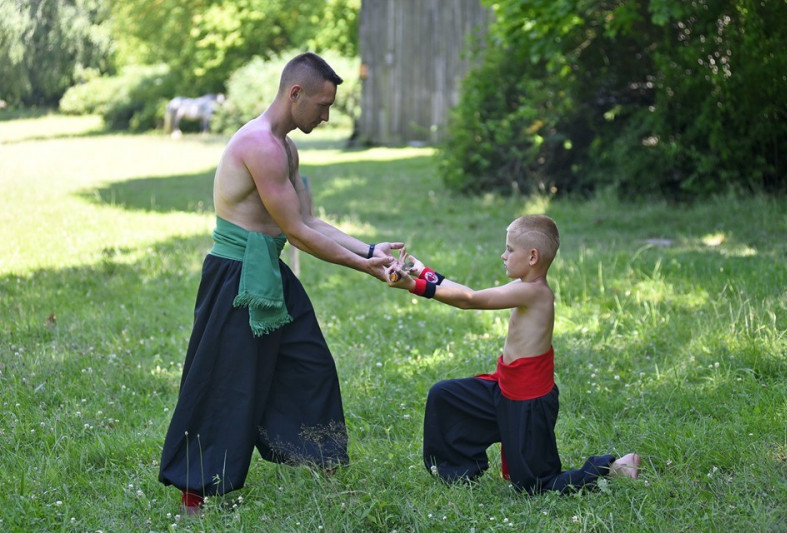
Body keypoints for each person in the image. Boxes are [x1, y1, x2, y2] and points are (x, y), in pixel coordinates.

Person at [159, 52, 402, 514]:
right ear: (295, 94)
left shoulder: (285, 146)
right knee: (223, 382)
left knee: (310, 363)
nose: (327, 116)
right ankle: (193, 492)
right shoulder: (260, 146)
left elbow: (309, 219)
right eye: (323, 105)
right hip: (236, 278)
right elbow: (297, 234)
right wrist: (364, 267)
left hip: (269, 271)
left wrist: (371, 250)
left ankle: (323, 464)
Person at [386, 215, 640, 494]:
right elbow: (471, 293)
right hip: (505, 389)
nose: (502, 255)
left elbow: (470, 302)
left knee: (535, 486)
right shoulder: (523, 287)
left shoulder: (535, 293)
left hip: (528, 404)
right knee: (445, 396)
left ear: (532, 256)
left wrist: (414, 286)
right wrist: (422, 272)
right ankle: (457, 474)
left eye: (509, 249)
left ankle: (614, 468)